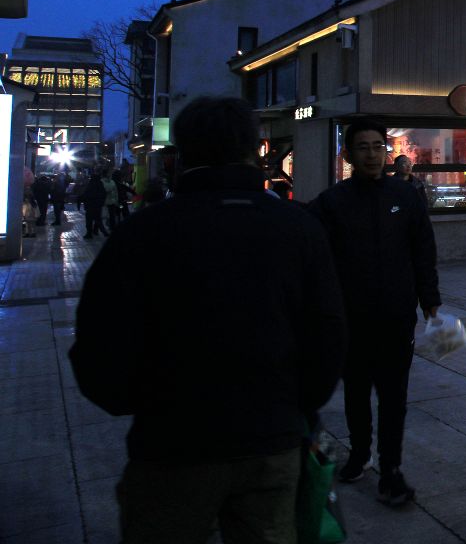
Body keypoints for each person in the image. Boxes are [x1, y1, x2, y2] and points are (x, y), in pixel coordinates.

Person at [69, 96, 347, 544]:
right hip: (271, 438)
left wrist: (144, 403)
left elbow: (100, 345)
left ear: (181, 154)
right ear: (254, 151)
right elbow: (329, 331)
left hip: (172, 444)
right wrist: (297, 403)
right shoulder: (297, 228)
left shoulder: (143, 232)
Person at [308, 119, 440, 507]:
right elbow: (315, 257)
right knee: (355, 391)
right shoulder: (332, 202)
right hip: (350, 317)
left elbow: (423, 250)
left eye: (378, 146)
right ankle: (360, 453)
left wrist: (429, 298)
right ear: (348, 154)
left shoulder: (406, 196)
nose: (371, 154)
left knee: (394, 395)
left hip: (396, 316)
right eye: (363, 147)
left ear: (387, 151)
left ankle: (391, 468)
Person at [80, 169, 108, 239]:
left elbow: (86, 195)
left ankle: (89, 234)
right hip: (98, 206)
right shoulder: (100, 184)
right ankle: (104, 232)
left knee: (89, 221)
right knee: (98, 220)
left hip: (90, 206)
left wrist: (83, 201)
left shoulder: (90, 185)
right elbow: (104, 194)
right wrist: (101, 203)